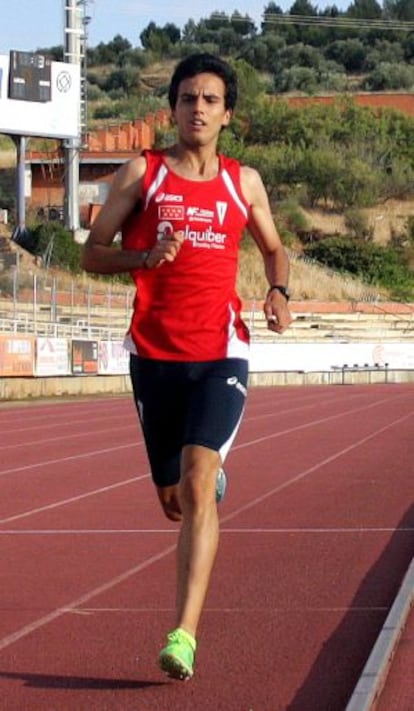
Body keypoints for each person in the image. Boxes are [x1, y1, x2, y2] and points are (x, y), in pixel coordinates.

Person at [82, 52, 292, 681]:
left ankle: (184, 635)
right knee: (175, 499)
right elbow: (93, 254)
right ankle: (204, 478)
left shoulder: (241, 182)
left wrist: (278, 292)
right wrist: (144, 256)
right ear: (171, 108)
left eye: (209, 100)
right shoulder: (140, 175)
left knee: (199, 482)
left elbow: (276, 249)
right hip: (154, 357)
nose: (196, 109)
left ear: (227, 114)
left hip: (221, 351)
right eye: (186, 98)